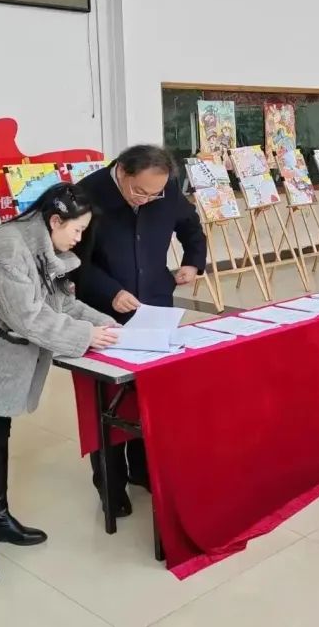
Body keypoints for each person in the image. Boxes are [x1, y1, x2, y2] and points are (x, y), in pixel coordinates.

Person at [0, 183, 119, 584]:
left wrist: (106, 326)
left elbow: (61, 303)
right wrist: (85, 336)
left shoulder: (41, 248)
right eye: (77, 230)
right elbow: (27, 316)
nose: (79, 239)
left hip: (4, 364)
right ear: (55, 220)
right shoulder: (7, 249)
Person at [74, 145, 206, 515]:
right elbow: (72, 259)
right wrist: (109, 292)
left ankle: (143, 470)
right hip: (103, 313)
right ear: (122, 171)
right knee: (105, 399)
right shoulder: (87, 193)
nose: (146, 200)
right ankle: (110, 484)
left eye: (154, 195)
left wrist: (193, 262)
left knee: (148, 392)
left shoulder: (165, 188)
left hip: (155, 306)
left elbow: (190, 226)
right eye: (139, 192)